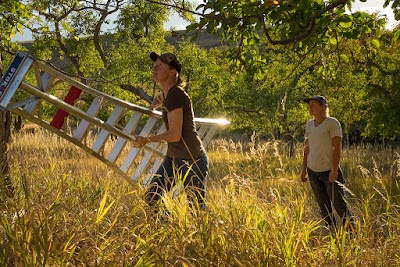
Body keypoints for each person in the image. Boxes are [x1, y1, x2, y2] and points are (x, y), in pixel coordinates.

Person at [135, 52, 209, 210]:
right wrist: (155, 103)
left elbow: (175, 135)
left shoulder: (176, 94)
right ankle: (169, 228)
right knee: (152, 197)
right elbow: (163, 100)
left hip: (192, 159)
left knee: (197, 209)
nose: (155, 68)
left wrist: (147, 140)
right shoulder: (169, 94)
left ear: (172, 72)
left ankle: (216, 232)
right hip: (174, 157)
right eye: (155, 65)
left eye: (160, 66)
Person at [300, 95, 353, 229]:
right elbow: (307, 147)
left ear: (323, 107)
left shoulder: (332, 123)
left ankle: (352, 234)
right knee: (323, 207)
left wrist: (334, 170)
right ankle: (331, 232)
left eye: (313, 104)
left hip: (329, 171)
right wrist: (303, 169)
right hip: (313, 171)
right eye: (309, 105)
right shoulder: (309, 125)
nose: (310, 107)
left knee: (340, 205)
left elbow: (336, 148)